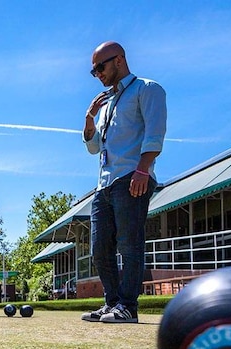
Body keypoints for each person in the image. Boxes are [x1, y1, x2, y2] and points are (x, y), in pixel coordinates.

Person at [81, 41, 166, 324]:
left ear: (119, 60)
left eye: (100, 67)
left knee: (129, 244)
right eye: (93, 71)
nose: (97, 74)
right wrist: (89, 120)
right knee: (99, 247)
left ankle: (128, 306)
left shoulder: (147, 89)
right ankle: (112, 303)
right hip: (104, 183)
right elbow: (94, 148)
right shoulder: (105, 104)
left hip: (132, 176)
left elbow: (155, 134)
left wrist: (143, 169)